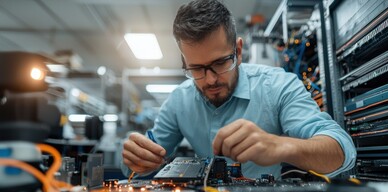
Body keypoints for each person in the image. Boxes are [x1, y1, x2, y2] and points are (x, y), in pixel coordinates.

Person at [121, 0, 356, 179]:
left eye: (220, 63)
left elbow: (342, 151)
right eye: (196, 68)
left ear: (239, 51)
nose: (210, 80)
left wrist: (280, 146)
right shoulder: (179, 101)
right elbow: (140, 163)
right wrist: (135, 158)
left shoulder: (278, 85)